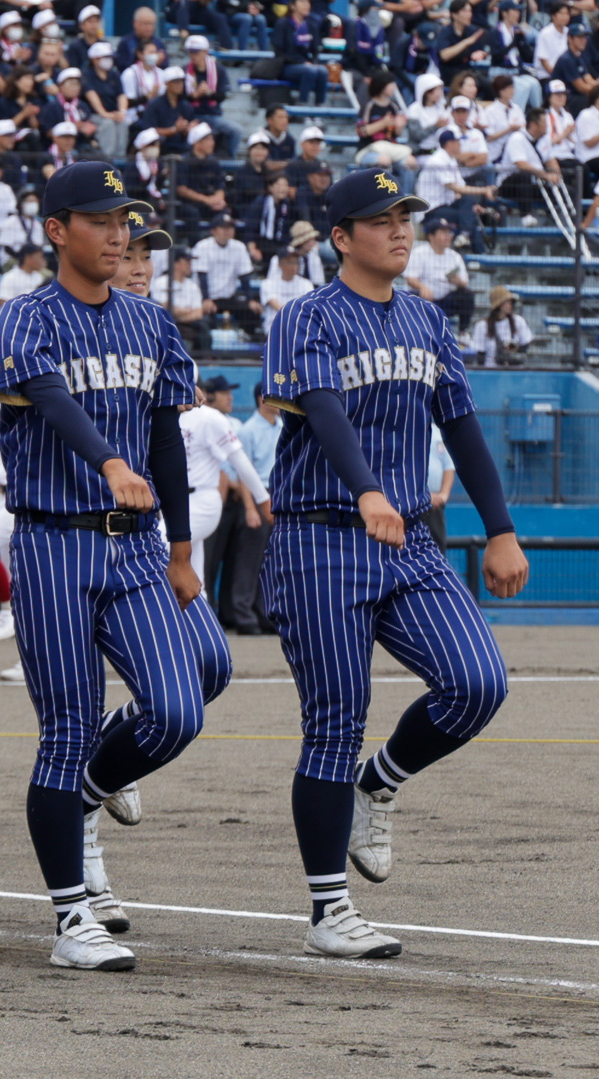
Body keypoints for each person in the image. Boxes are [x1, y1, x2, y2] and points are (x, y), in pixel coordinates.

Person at [260, 166, 527, 960]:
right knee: (334, 721)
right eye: (382, 220)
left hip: (407, 536)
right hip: (321, 538)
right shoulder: (308, 318)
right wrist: (368, 488)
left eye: (406, 215)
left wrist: (502, 528)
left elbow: (463, 425)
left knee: (479, 681)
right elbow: (327, 413)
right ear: (341, 237)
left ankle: (380, 783)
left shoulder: (427, 318)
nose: (402, 229)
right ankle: (327, 911)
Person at [0, 162, 204, 973]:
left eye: (127, 219)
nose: (119, 233)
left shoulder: (150, 324)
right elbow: (50, 396)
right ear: (56, 229)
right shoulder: (25, 316)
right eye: (102, 218)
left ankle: (82, 800)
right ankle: (71, 916)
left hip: (137, 544)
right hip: (52, 541)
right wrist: (111, 460)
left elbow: (169, 441)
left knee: (178, 709)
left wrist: (181, 549)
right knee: (66, 729)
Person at [225, 386, 280, 634]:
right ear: (262, 399)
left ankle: (264, 613)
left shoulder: (282, 426)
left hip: (277, 495)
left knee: (270, 562)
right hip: (258, 496)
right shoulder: (248, 431)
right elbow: (244, 473)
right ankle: (243, 615)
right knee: (249, 560)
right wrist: (250, 508)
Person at [469, 285, 532, 366]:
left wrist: (515, 349)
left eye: (511, 302)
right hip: (491, 370)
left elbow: (525, 346)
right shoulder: (482, 326)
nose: (511, 305)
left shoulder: (518, 321)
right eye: (508, 302)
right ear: (499, 304)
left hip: (514, 370)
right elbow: (480, 355)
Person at [261, 243, 315, 333]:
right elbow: (281, 309)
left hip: (299, 330)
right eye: (289, 262)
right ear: (280, 264)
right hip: (275, 330)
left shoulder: (307, 284)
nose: (294, 266)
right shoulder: (267, 284)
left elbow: (306, 309)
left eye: (296, 262)